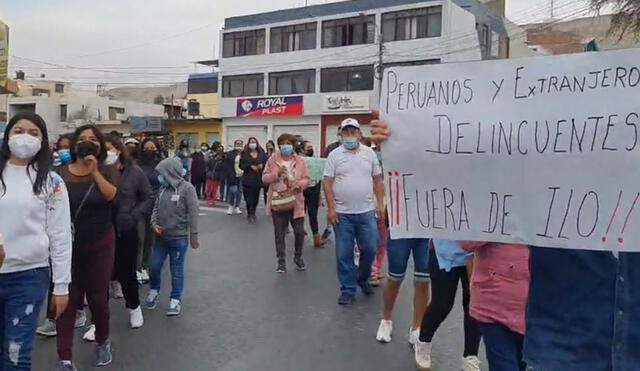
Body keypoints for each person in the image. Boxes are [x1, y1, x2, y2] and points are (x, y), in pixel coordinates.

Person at [0, 112, 72, 370]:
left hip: (29, 276)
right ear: (8, 135)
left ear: (43, 141)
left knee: (15, 355)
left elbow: (61, 235)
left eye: (33, 133)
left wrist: (61, 286)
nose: (25, 137)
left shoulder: (51, 182)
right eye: (18, 130)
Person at [55, 125, 119, 369]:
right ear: (73, 145)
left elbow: (113, 197)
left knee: (97, 299)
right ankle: (65, 357)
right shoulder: (60, 173)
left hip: (100, 244)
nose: (87, 143)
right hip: (65, 247)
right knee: (66, 300)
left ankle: (102, 341)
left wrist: (94, 172)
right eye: (82, 139)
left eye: (93, 139)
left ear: (101, 145)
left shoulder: (108, 170)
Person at [323, 118, 385, 305]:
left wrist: (381, 203)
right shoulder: (334, 155)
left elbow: (378, 180)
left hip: (366, 212)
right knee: (344, 253)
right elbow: (327, 182)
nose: (350, 136)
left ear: (359, 134)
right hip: (342, 213)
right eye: (346, 132)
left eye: (353, 132)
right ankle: (348, 289)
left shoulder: (369, 154)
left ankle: (363, 278)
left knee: (370, 248)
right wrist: (331, 208)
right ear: (341, 134)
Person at [104, 135, 152, 330]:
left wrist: (133, 215)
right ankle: (98, 320)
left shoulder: (134, 171)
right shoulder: (97, 170)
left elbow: (147, 197)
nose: (107, 153)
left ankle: (134, 307)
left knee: (127, 271)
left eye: (110, 149)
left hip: (126, 227)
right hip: (101, 227)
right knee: (101, 276)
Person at [459, 242, 530, 371]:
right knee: (505, 365)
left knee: (521, 363)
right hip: (493, 305)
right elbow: (466, 241)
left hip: (532, 308)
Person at [145, 158, 199, 316]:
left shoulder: (187, 189)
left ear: (170, 172)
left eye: (162, 173)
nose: (159, 176)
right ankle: (154, 291)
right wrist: (154, 224)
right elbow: (155, 208)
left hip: (179, 238)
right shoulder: (162, 188)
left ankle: (175, 299)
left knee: (176, 270)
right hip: (161, 237)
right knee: (154, 266)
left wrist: (194, 236)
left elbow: (194, 213)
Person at [262, 134, 311, 273]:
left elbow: (307, 178)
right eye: (282, 143)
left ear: (293, 145)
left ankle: (298, 257)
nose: (286, 146)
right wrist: (276, 175)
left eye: (288, 143)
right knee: (279, 233)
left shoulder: (300, 161)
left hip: (296, 201)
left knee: (299, 232)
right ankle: (281, 261)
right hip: (279, 201)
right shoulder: (272, 160)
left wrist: (299, 185)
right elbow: (265, 178)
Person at [375, 237, 431, 347]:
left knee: (423, 280)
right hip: (401, 231)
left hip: (427, 232)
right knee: (394, 279)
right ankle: (386, 320)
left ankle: (417, 327)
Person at [137, 138, 163, 282]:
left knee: (150, 240)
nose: (150, 150)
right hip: (140, 206)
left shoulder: (161, 165)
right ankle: (137, 268)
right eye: (147, 148)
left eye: (152, 147)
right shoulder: (136, 165)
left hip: (155, 207)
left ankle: (145, 267)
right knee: (139, 239)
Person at [320, 127, 343, 246]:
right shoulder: (331, 148)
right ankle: (329, 228)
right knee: (331, 207)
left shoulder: (359, 149)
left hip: (347, 185)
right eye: (340, 133)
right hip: (333, 182)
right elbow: (325, 165)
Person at [300, 141, 323, 248]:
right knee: (301, 212)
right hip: (302, 190)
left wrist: (320, 197)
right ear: (302, 149)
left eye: (311, 147)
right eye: (308, 147)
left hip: (314, 189)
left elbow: (319, 178)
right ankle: (299, 232)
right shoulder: (299, 160)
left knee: (313, 214)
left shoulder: (316, 160)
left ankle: (316, 237)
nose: (310, 149)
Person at [239, 137, 267, 222]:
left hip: (258, 179)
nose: (252, 144)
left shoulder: (261, 153)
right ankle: (249, 213)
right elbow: (241, 165)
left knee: (255, 197)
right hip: (247, 178)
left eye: (254, 142)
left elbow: (267, 163)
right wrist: (250, 166)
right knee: (248, 198)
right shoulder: (245, 153)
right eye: (251, 142)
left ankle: (253, 211)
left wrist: (262, 165)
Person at [223, 139, 244, 215]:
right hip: (232, 175)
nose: (239, 145)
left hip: (241, 176)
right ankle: (231, 206)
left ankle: (237, 206)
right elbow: (226, 165)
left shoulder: (244, 154)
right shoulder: (229, 154)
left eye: (240, 144)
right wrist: (230, 174)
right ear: (235, 145)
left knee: (239, 191)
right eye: (237, 144)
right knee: (233, 191)